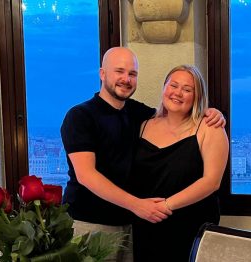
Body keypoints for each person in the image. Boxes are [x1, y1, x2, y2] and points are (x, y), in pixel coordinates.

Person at [60, 47, 225, 261]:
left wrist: (212, 112)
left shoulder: (140, 115)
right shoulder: (80, 116)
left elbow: (175, 113)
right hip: (91, 223)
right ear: (102, 73)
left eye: (132, 74)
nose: (126, 79)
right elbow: (86, 175)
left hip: (134, 226)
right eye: (119, 71)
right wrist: (137, 205)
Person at [129, 65, 229, 262]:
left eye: (187, 89)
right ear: (164, 88)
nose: (178, 93)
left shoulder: (210, 128)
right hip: (146, 225)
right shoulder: (143, 125)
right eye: (173, 85)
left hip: (192, 226)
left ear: (197, 96)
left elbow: (211, 182)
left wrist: (166, 206)